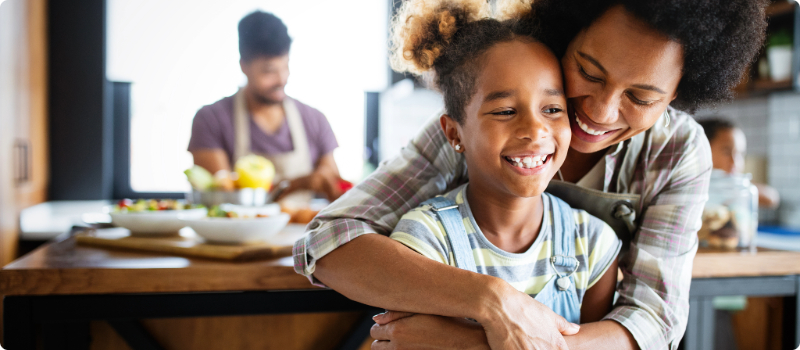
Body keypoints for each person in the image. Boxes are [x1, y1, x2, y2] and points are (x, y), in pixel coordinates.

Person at [292, 0, 768, 349]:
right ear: (568, 34)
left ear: (677, 96)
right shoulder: (489, 118)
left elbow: (654, 320)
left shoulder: (677, 150)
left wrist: (477, 344)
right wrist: (493, 301)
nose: (600, 112)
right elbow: (329, 242)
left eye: (641, 98)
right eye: (589, 71)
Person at [386, 0, 622, 328]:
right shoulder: (425, 240)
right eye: (505, 111)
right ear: (455, 133)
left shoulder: (593, 243)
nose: (535, 130)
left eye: (552, 109)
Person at [187, 11, 344, 201]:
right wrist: (297, 184)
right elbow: (222, 197)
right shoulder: (211, 120)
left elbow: (335, 187)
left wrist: (328, 181)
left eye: (285, 67)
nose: (281, 79)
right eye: (269, 71)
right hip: (241, 231)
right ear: (243, 66)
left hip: (304, 230)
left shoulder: (314, 120)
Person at [698, 117, 780, 208]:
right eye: (726, 152)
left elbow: (771, 198)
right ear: (703, 150)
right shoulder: (696, 186)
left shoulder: (739, 186)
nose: (734, 161)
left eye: (740, 153)